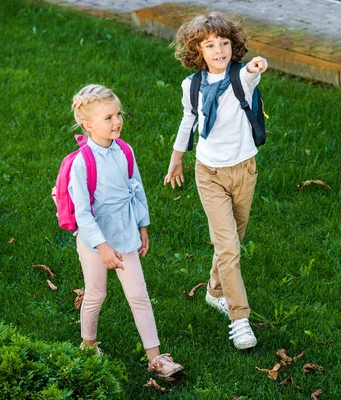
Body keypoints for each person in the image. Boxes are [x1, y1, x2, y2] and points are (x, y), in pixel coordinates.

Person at [164, 12, 268, 350]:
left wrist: (257, 66)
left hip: (244, 169)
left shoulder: (241, 77)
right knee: (228, 248)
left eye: (224, 43)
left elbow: (253, 72)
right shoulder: (191, 86)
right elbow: (188, 119)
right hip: (208, 172)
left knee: (232, 240)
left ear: (232, 45)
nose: (219, 50)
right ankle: (240, 319)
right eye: (210, 45)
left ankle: (214, 291)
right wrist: (177, 159)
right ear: (197, 50)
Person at [69, 84, 183, 377]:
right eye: (108, 118)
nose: (117, 121)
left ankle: (156, 358)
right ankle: (88, 345)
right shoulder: (82, 163)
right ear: (88, 124)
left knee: (139, 294)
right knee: (96, 293)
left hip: (125, 233)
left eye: (118, 114)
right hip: (96, 241)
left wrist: (142, 225)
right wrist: (102, 247)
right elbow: (83, 213)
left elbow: (137, 189)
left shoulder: (125, 150)